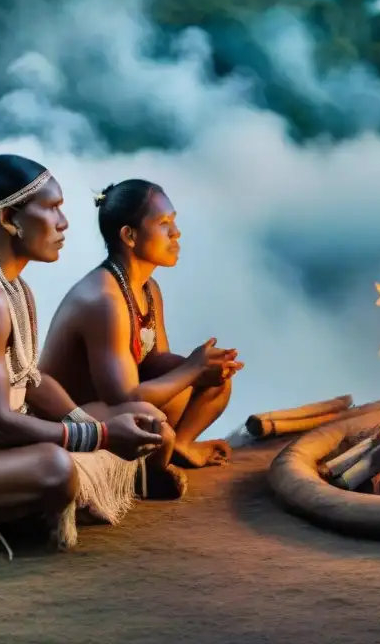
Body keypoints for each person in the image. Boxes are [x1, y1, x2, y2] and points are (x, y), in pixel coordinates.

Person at [0, 154, 164, 567]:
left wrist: (91, 423)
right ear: (8, 219)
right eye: (52, 209)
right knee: (54, 469)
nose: (64, 222)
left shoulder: (13, 288)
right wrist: (103, 437)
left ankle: (23, 511)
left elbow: (29, 380)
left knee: (138, 413)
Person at [40, 178, 242, 481]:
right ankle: (152, 473)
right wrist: (192, 368)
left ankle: (181, 447)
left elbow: (156, 363)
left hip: (121, 405)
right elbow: (124, 397)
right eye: (163, 223)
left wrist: (205, 368)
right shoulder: (104, 300)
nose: (176, 233)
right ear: (129, 235)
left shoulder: (148, 289)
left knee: (215, 380)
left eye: (173, 221)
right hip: (74, 416)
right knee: (151, 413)